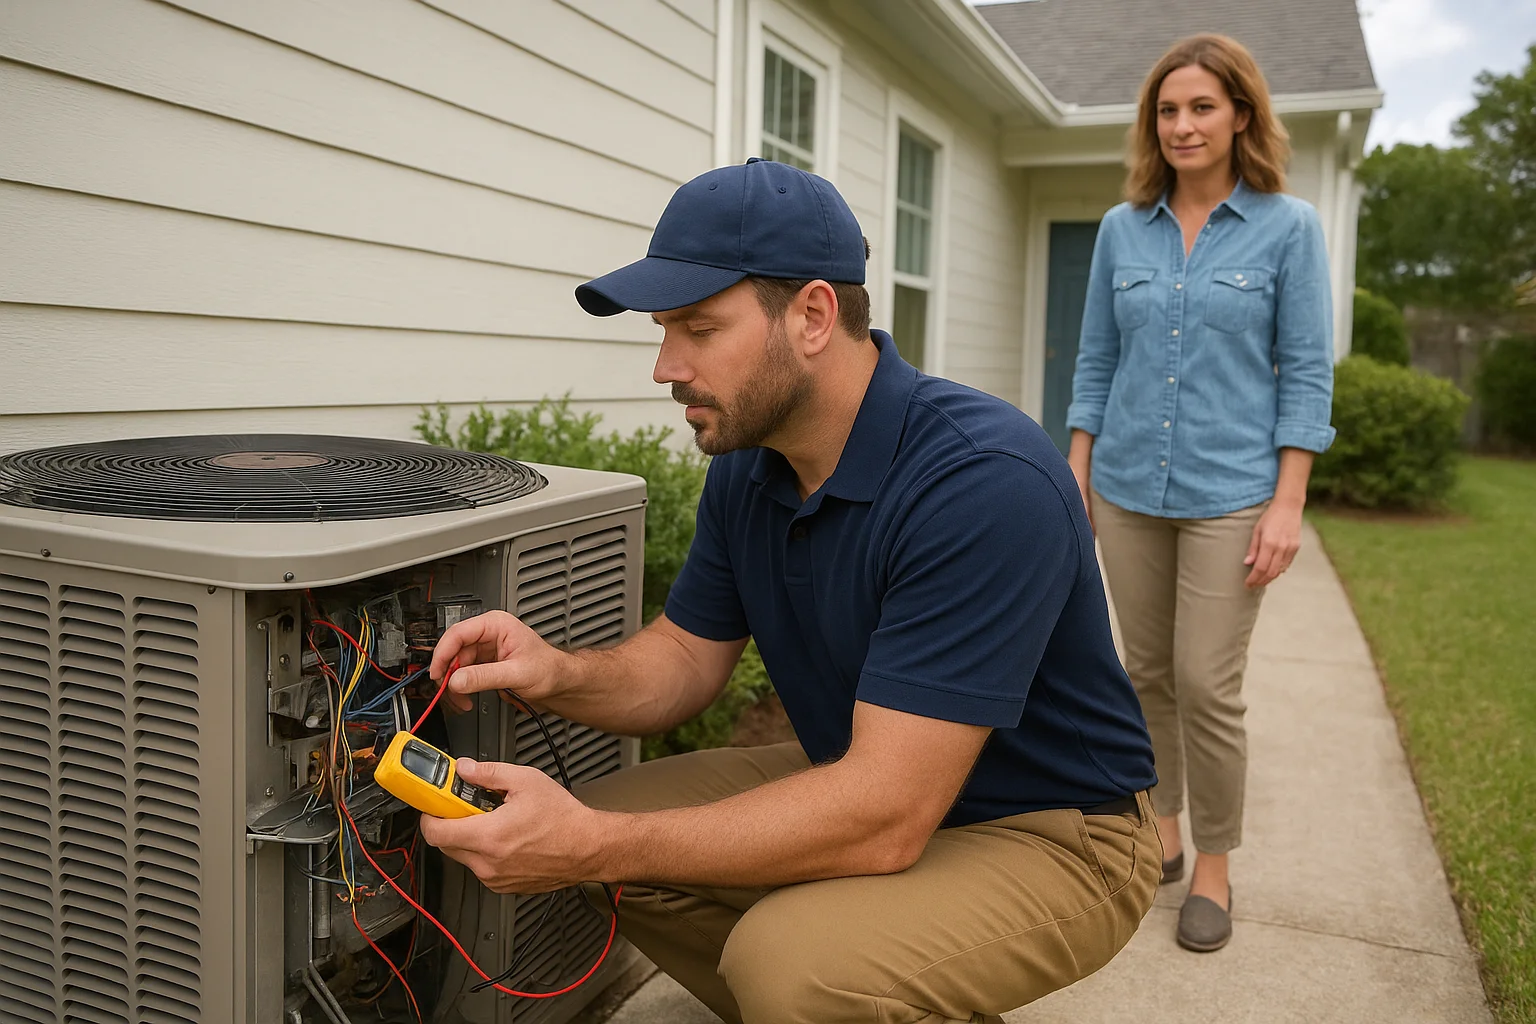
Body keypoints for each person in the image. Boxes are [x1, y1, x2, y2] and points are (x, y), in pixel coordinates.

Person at [420, 157, 1160, 1024]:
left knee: (793, 965)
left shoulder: (980, 480)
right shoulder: (753, 464)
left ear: (812, 315)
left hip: (1057, 828)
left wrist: (587, 847)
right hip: (873, 773)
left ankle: (838, 985)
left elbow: (886, 815)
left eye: (698, 328)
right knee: (620, 841)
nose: (665, 366)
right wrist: (558, 673)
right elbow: (688, 659)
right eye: (664, 330)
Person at [1065, 34, 1337, 954]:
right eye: (1167, 110)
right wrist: (1079, 463)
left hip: (1232, 493)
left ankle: (1214, 863)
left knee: (1206, 684)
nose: (1182, 125)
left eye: (1201, 108)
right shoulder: (1120, 229)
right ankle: (1165, 834)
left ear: (1242, 117)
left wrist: (1289, 499)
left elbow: (1305, 371)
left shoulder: (1288, 228)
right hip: (1131, 485)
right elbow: (1097, 357)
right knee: (1143, 676)